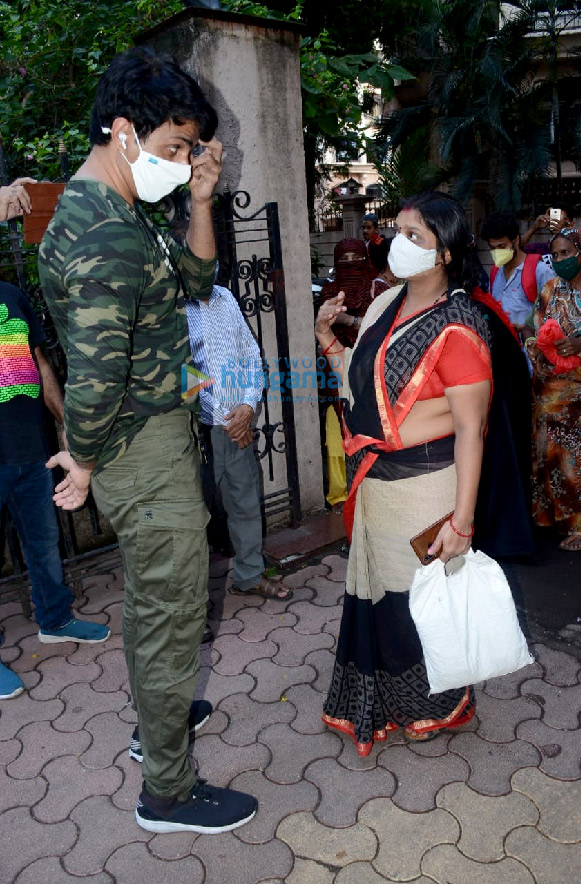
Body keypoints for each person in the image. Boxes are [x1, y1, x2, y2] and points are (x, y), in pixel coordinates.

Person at [38, 48, 257, 835]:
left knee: (157, 603)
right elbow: (94, 377)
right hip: (139, 451)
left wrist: (199, 197)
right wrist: (85, 459)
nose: (178, 163)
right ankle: (168, 791)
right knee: (169, 612)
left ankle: (158, 724)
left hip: (151, 439)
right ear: (123, 132)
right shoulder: (102, 234)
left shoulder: (124, 211)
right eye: (172, 149)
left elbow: (197, 287)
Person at [315, 191, 495, 755]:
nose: (400, 243)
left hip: (423, 485)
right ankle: (387, 701)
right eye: (398, 231)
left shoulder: (459, 325)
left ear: (444, 254)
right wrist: (327, 341)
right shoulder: (384, 304)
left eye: (416, 236)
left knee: (417, 603)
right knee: (379, 596)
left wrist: (462, 522)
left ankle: (434, 704)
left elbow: (472, 430)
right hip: (375, 482)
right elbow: (363, 392)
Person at [0, 182, 110, 702]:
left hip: (30, 449)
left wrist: (66, 425)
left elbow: (42, 366)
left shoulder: (13, 297)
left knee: (44, 542)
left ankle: (56, 619)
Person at [186, 282, 292, 601]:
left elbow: (249, 353)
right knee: (192, 517)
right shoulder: (173, 305)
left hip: (237, 423)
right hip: (199, 429)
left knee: (245, 500)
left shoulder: (225, 296)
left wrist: (247, 406)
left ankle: (248, 576)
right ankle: (192, 602)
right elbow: (184, 375)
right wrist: (230, 420)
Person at [525, 227, 581, 552]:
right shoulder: (549, 290)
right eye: (556, 255)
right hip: (551, 382)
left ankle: (580, 524)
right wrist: (534, 347)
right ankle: (552, 517)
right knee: (547, 427)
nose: (561, 260)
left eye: (567, 253)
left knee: (575, 435)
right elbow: (534, 330)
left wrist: (580, 343)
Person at [481, 211, 555, 334]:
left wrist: (525, 329)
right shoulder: (495, 272)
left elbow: (554, 315)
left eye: (502, 246)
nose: (496, 252)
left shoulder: (540, 271)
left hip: (530, 350)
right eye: (492, 248)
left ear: (515, 240)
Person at [319, 239, 373, 347]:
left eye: (356, 257)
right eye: (344, 258)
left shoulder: (378, 289)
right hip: (336, 355)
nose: (350, 263)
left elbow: (384, 326)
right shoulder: (329, 291)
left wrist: (348, 320)